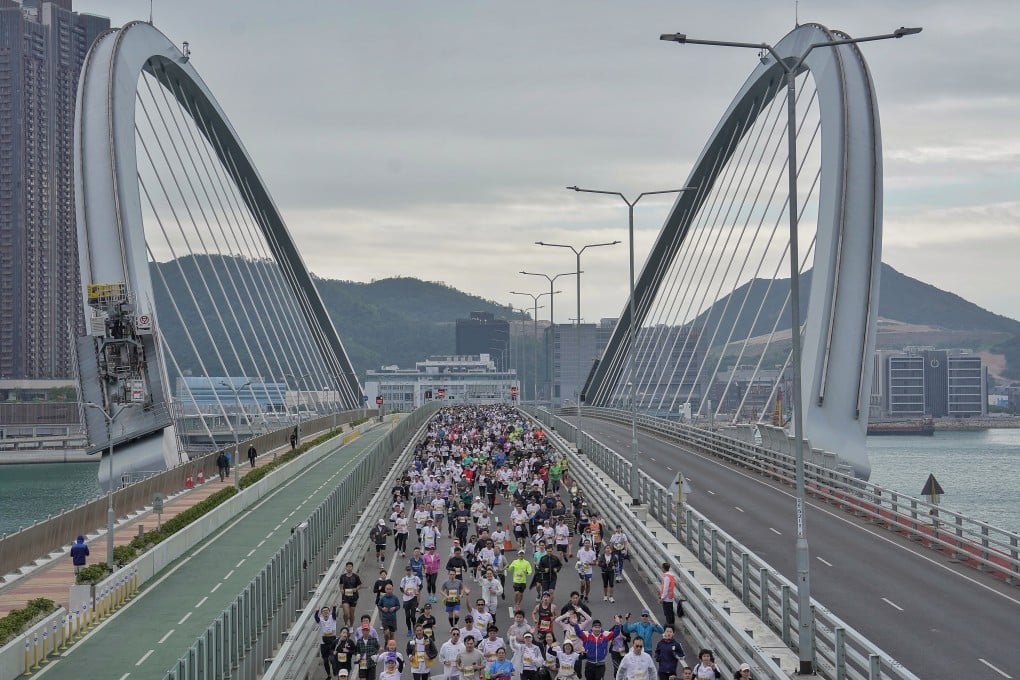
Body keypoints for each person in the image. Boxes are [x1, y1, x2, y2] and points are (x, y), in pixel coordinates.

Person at [574, 615, 624, 680]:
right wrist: (575, 624)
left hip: (600, 664)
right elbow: (578, 632)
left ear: (601, 628)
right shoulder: (587, 635)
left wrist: (617, 624)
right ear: (592, 628)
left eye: (599, 627)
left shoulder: (605, 635)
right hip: (589, 664)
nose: (597, 629)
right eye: (595, 627)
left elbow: (615, 634)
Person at [316, 605, 340, 678]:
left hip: (332, 642)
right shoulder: (320, 620)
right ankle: (329, 675)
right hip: (324, 643)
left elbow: (334, 614)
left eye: (327, 611)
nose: (325, 612)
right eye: (323, 611)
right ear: (322, 613)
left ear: (329, 612)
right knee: (325, 661)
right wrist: (316, 611)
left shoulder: (332, 618)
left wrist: (334, 608)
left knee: (332, 658)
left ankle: (335, 670)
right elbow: (316, 618)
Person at [400, 565, 423, 636]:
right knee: (407, 616)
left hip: (413, 598)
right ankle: (409, 630)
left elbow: (421, 585)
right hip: (406, 599)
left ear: (411, 571)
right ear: (405, 571)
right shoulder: (403, 579)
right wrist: (405, 592)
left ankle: (414, 629)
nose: (408, 572)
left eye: (409, 570)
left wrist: (418, 590)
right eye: (407, 570)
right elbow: (401, 588)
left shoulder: (416, 578)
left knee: (413, 616)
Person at [339, 562, 363, 627]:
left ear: (352, 568)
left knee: (352, 614)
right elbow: (340, 584)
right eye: (348, 567)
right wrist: (341, 589)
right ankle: (346, 624)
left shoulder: (356, 576)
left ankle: (351, 626)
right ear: (346, 568)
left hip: (353, 597)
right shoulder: (342, 576)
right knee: (346, 613)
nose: (349, 568)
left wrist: (356, 588)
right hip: (345, 597)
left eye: (350, 567)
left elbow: (360, 585)